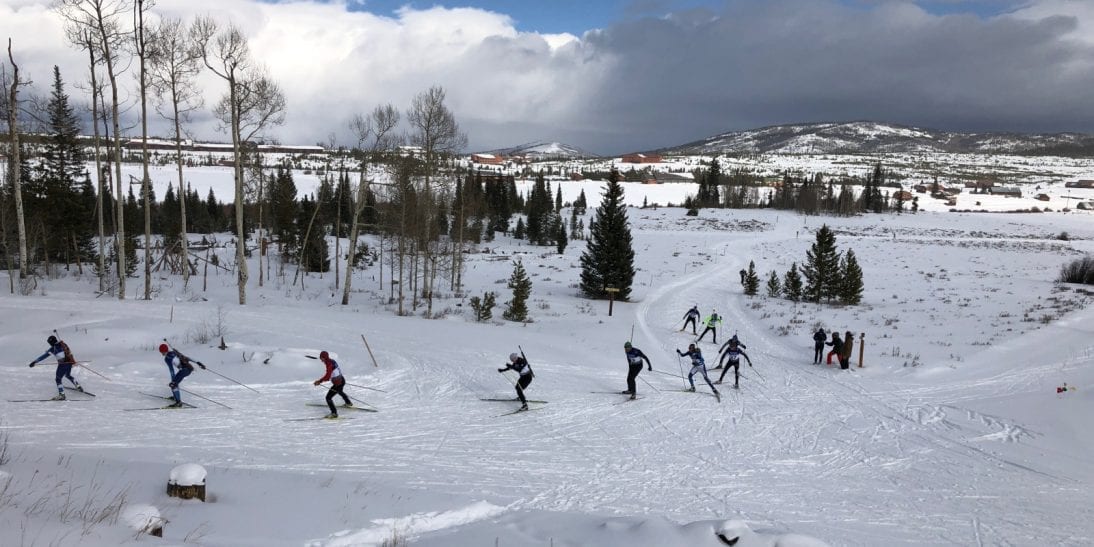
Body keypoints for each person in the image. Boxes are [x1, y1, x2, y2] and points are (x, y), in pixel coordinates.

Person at [28, 335, 83, 400]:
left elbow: (44, 356)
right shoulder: (63, 344)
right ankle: (78, 386)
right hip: (69, 363)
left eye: (49, 343)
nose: (50, 344)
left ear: (51, 342)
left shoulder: (53, 348)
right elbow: (69, 353)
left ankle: (62, 395)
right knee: (67, 375)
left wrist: (35, 361)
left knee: (58, 379)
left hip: (62, 365)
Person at [159, 343, 206, 408]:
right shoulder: (174, 352)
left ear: (164, 351)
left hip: (184, 370)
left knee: (173, 384)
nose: (161, 353)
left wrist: (173, 381)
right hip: (188, 369)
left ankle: (178, 403)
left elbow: (171, 370)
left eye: (162, 352)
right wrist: (199, 363)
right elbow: (187, 358)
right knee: (174, 383)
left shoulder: (167, 358)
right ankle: (175, 396)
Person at [314, 350, 352, 418]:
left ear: (325, 357)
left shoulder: (329, 364)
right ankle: (348, 403)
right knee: (340, 391)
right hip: (342, 380)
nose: (321, 360)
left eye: (322, 358)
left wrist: (319, 381)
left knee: (328, 398)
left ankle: (334, 413)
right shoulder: (331, 361)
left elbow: (327, 376)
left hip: (338, 383)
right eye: (320, 358)